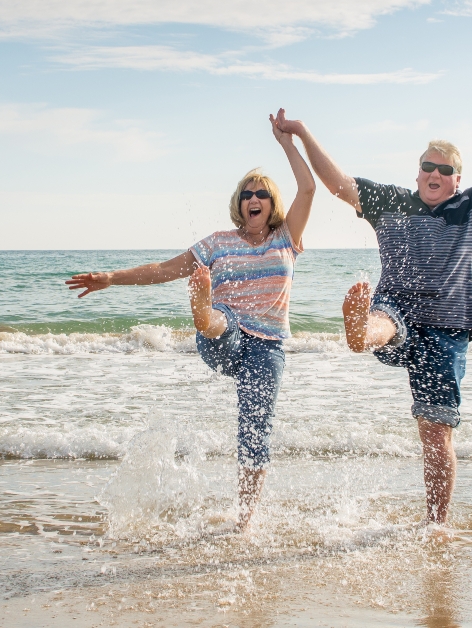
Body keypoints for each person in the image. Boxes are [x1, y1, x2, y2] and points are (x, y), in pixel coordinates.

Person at [276, 62, 472, 525]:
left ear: (456, 178)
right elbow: (337, 185)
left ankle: (436, 525)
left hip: (447, 330)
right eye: (426, 166)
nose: (433, 173)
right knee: (387, 319)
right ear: (417, 174)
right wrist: (302, 134)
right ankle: (360, 331)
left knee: (435, 434)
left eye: (444, 169)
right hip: (396, 309)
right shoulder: (392, 202)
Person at [66, 109, 315, 532]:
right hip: (226, 334)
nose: (253, 199)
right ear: (238, 204)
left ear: (273, 204)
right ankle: (203, 313)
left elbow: (309, 187)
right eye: (246, 194)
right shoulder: (216, 242)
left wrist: (289, 141)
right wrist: (110, 278)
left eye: (262, 194)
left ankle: (245, 520)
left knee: (256, 430)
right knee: (221, 323)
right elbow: (163, 269)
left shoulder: (286, 238)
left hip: (268, 348)